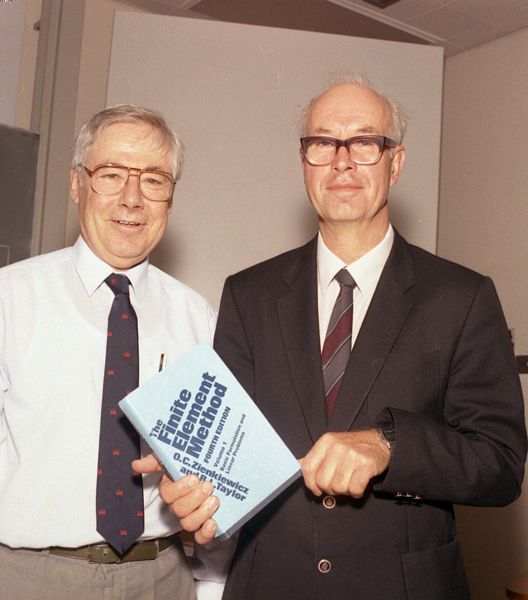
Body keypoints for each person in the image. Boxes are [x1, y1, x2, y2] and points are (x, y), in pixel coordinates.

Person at [137, 77, 527, 599]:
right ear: (305, 163)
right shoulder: (248, 293)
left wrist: (390, 445)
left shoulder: (462, 296)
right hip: (270, 584)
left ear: (396, 162)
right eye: (323, 143)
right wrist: (196, 495)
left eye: (365, 142)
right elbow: (229, 460)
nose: (342, 161)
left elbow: (500, 464)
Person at [0, 105, 224, 600]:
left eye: (154, 180)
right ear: (77, 184)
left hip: (163, 578)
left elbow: (214, 482)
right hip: (29, 579)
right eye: (111, 175)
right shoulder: (9, 299)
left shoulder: (199, 319)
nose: (132, 199)